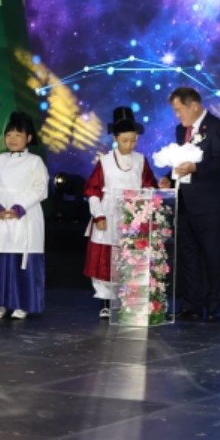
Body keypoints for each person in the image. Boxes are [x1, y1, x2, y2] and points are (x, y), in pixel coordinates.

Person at [163, 87, 220, 321]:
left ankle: (214, 306)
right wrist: (169, 177)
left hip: (211, 203)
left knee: (213, 255)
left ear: (193, 105)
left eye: (179, 109)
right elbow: (181, 163)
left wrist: (196, 167)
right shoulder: (180, 130)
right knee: (188, 255)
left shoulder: (216, 127)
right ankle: (191, 305)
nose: (177, 115)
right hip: (186, 202)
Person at [84, 107, 156, 319]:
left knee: (129, 258)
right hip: (108, 215)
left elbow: (148, 185)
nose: (129, 145)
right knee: (105, 260)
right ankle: (105, 302)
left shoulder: (141, 160)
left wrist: (148, 199)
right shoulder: (105, 162)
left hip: (132, 217)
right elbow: (92, 191)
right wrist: (99, 216)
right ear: (115, 139)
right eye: (125, 140)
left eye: (133, 140)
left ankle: (128, 300)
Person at [0, 111, 48, 320]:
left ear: (28, 138)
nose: (12, 139)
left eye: (18, 135)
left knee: (21, 261)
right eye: (9, 135)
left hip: (25, 218)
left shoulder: (35, 161)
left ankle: (22, 304)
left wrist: (19, 207)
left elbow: (40, 189)